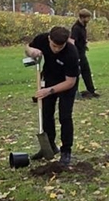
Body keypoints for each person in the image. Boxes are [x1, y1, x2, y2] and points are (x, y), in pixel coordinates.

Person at [25, 26, 80, 166]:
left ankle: (66, 151)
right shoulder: (42, 39)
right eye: (54, 46)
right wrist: (31, 51)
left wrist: (48, 91)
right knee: (46, 114)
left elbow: (70, 82)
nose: (56, 49)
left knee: (65, 116)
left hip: (66, 84)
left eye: (60, 47)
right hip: (49, 78)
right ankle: (49, 147)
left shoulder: (71, 53)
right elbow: (28, 48)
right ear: (49, 38)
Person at [70, 10, 98, 99]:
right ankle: (74, 92)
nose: (89, 19)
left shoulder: (83, 27)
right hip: (77, 55)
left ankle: (91, 91)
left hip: (82, 53)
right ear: (82, 17)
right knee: (76, 73)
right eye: (88, 17)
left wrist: (84, 44)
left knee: (86, 72)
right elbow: (72, 42)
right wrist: (74, 55)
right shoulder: (76, 28)